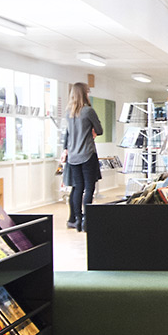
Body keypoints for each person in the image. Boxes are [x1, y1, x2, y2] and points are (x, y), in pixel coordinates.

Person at [61, 82, 103, 231]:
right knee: (89, 188)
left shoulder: (68, 112)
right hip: (87, 154)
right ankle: (87, 220)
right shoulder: (88, 111)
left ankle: (77, 220)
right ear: (84, 93)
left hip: (73, 157)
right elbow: (100, 130)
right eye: (87, 91)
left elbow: (67, 134)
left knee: (78, 187)